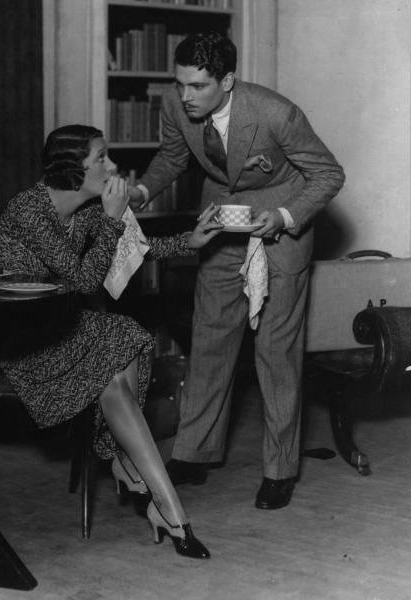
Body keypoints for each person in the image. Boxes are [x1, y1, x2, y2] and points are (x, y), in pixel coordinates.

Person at [128, 32, 345, 510]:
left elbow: (328, 173)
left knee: (276, 353)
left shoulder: (276, 113)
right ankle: (192, 454)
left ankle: (280, 469)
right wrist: (142, 192)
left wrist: (285, 217)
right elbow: (173, 157)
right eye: (180, 84)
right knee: (209, 341)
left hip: (279, 230)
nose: (186, 97)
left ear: (227, 81)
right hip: (219, 227)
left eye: (198, 87)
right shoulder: (177, 102)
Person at [0, 124, 222, 559]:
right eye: (102, 159)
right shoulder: (29, 211)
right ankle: (133, 469)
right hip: (16, 343)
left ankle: (168, 507)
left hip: (57, 329)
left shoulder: (87, 209)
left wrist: (189, 241)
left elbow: (137, 249)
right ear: (74, 171)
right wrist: (112, 219)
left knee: (121, 342)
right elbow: (83, 280)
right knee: (117, 336)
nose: (113, 167)